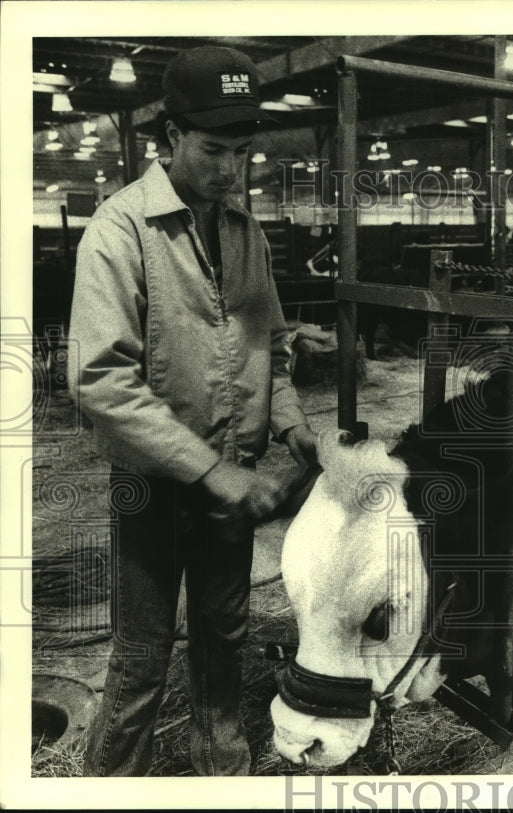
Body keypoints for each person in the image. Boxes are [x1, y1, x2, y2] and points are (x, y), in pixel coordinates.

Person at [69, 44, 318, 777]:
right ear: (170, 135)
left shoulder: (245, 231)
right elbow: (98, 377)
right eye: (213, 149)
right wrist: (211, 469)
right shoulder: (121, 232)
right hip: (153, 485)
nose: (230, 170)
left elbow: (270, 342)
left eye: (243, 152)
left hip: (229, 482)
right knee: (143, 664)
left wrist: (294, 423)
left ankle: (224, 777)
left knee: (223, 641)